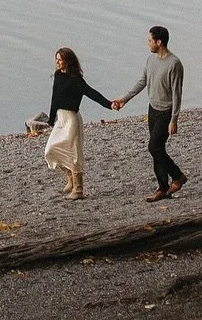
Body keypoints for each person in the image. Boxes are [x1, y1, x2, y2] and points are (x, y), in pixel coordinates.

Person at [112, 25, 186, 203]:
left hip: (166, 112)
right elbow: (143, 81)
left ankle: (178, 177)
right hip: (152, 109)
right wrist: (124, 99)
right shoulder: (151, 60)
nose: (148, 43)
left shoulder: (174, 64)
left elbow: (177, 94)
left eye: (150, 40)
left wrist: (174, 119)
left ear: (159, 42)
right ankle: (163, 187)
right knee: (157, 149)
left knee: (154, 147)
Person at [43, 47, 113, 200]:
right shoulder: (58, 76)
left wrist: (110, 104)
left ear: (68, 61)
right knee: (50, 150)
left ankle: (78, 189)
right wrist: (51, 118)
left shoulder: (76, 80)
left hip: (72, 119)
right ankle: (70, 177)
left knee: (74, 153)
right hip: (60, 118)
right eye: (56, 59)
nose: (57, 62)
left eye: (60, 60)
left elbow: (92, 93)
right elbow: (54, 98)